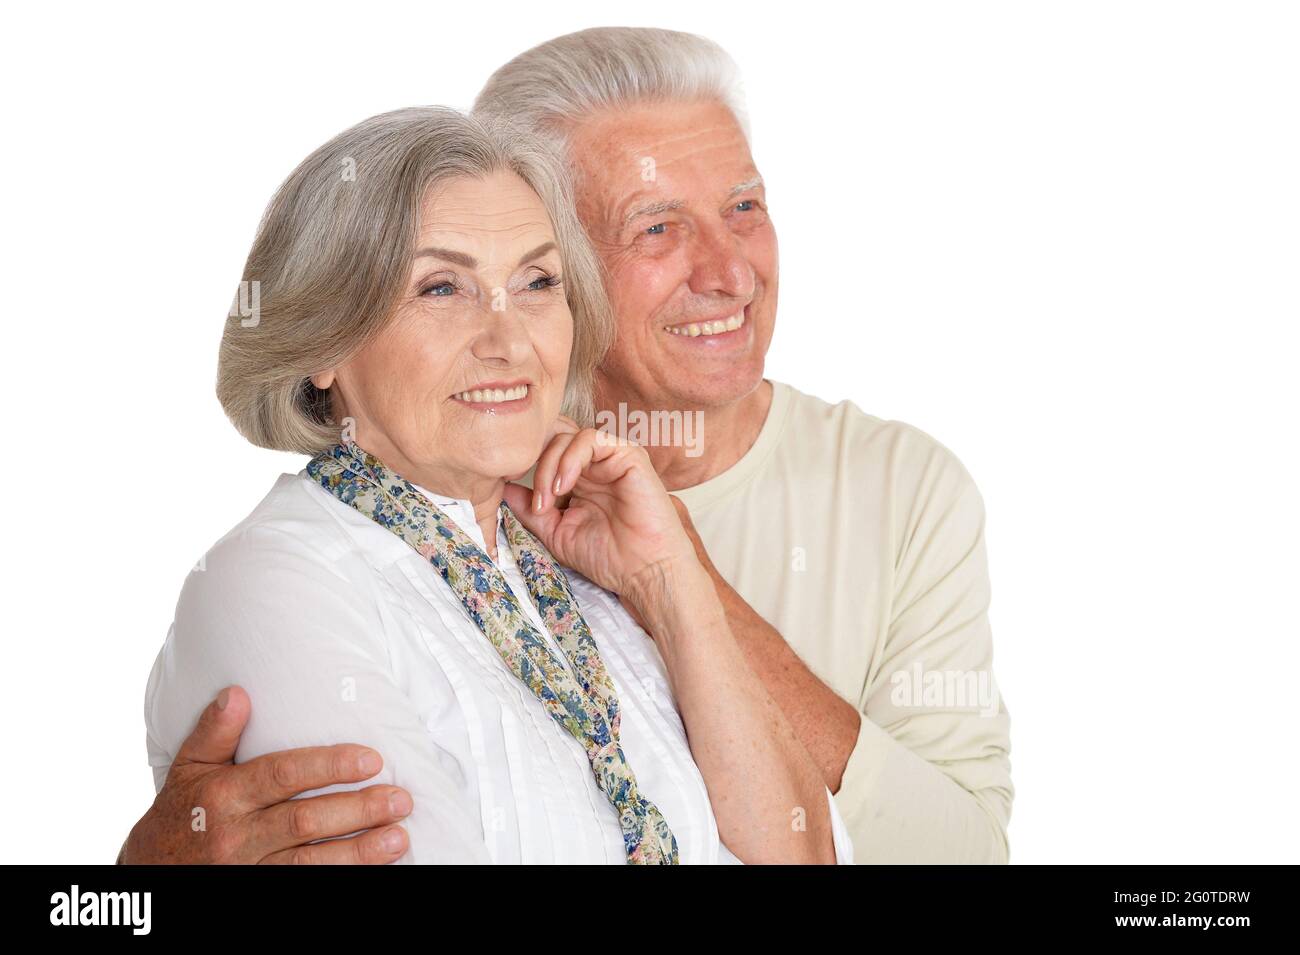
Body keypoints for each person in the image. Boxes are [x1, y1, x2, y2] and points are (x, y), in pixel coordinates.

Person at [123, 27, 1011, 865]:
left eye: (535, 280)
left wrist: (674, 584)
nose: (507, 338)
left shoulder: (582, 552)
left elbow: (815, 849)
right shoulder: (281, 579)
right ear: (324, 342)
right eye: (441, 287)